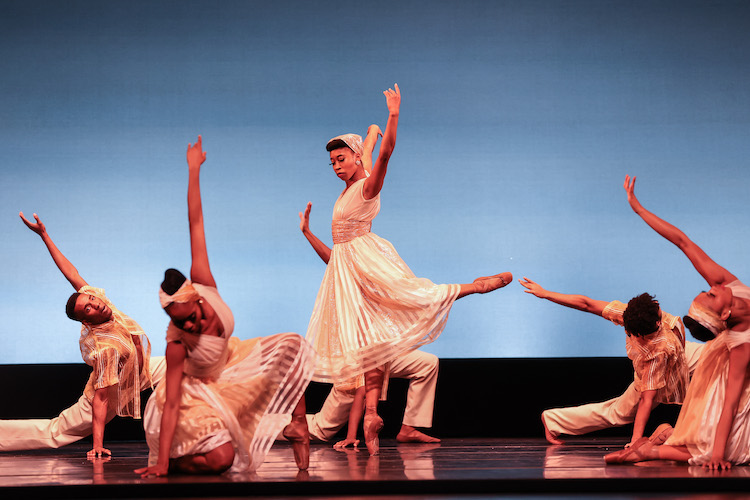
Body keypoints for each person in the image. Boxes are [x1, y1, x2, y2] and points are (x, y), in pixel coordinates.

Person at [301, 85, 512, 454]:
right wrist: (369, 131)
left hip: (365, 257)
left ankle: (474, 287)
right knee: (370, 341)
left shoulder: (366, 187)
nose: (335, 166)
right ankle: (368, 419)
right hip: (348, 267)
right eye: (331, 162)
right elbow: (337, 258)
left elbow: (382, 155)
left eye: (340, 159)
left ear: (354, 160)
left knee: (411, 294)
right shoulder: (352, 179)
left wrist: (392, 115)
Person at [135, 136, 316, 477]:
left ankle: (297, 424)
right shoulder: (176, 344)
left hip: (231, 364)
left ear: (196, 299)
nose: (186, 327)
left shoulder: (204, 282)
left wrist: (193, 170)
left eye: (188, 319)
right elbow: (172, 402)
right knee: (222, 461)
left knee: (294, 346)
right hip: (196, 394)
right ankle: (175, 461)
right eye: (178, 322)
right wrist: (159, 461)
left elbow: (196, 222)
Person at [604, 175, 750, 470]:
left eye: (707, 291)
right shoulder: (741, 345)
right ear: (723, 316)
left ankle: (665, 437)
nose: (713, 285)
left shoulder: (727, 287)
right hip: (738, 387)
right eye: (710, 294)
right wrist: (718, 455)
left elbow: (682, 241)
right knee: (731, 453)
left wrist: (638, 209)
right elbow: (731, 401)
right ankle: (652, 450)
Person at [0, 213, 165, 457]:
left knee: (179, 361)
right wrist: (97, 445)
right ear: (87, 320)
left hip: (137, 370)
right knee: (54, 433)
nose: (94, 303)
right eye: (88, 307)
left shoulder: (102, 304)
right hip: (108, 390)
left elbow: (72, 274)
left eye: (91, 299)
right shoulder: (106, 346)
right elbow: (101, 399)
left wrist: (45, 235)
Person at [520, 277, 702, 446]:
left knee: (720, 353)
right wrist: (635, 441)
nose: (657, 305)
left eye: (656, 305)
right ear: (656, 325)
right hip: (664, 369)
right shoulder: (656, 352)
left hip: (683, 353)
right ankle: (554, 420)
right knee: (617, 413)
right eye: (657, 311)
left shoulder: (630, 314)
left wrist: (546, 293)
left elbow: (586, 304)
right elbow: (647, 399)